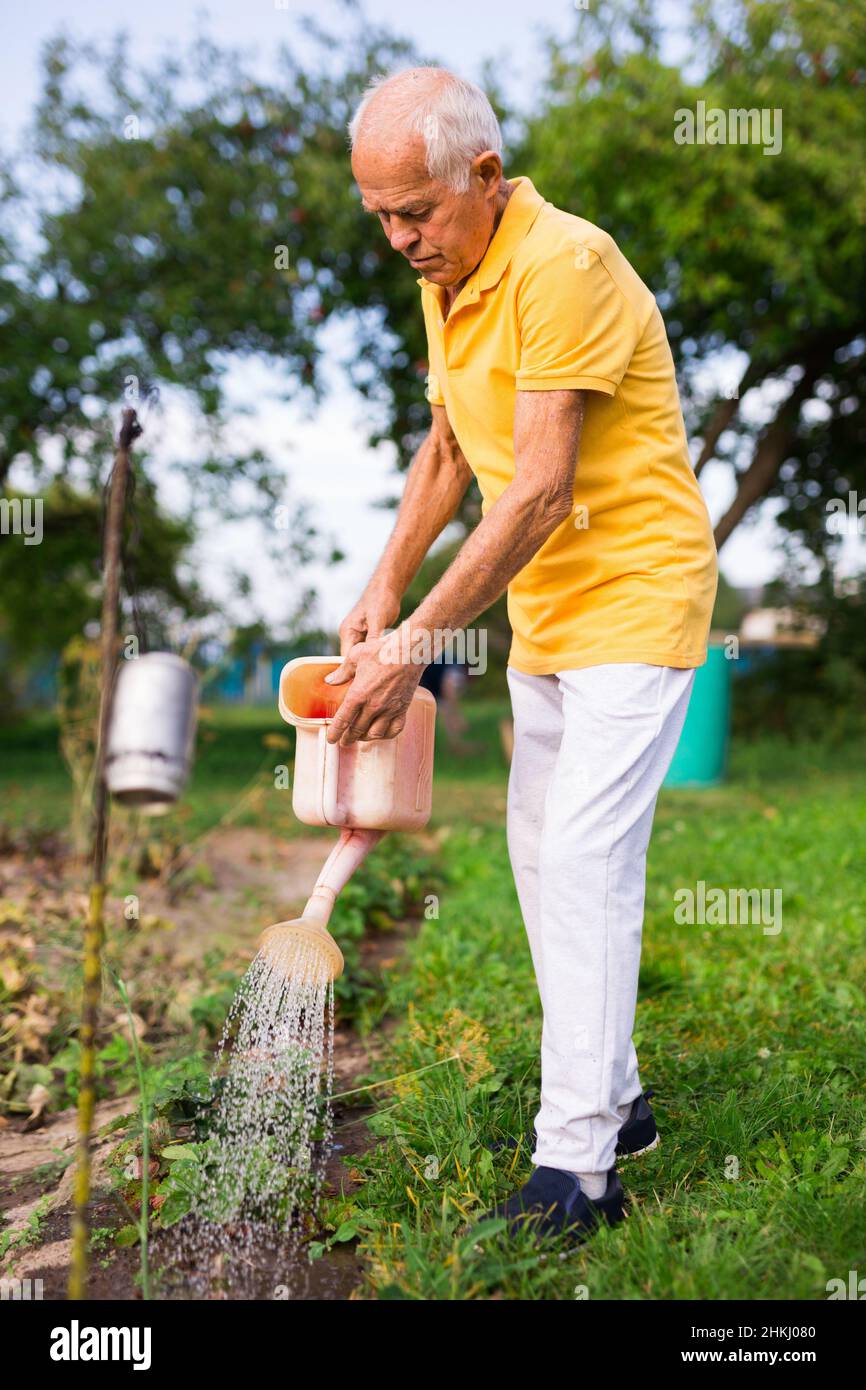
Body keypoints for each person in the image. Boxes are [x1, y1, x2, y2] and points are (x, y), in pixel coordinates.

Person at [323, 66, 718, 1242]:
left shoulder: (563, 264)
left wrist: (415, 646)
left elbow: (539, 485)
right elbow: (450, 446)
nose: (398, 239)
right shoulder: (449, 271)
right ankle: (621, 1097)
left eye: (415, 213)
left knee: (587, 855)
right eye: (379, 217)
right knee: (543, 856)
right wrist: (383, 585)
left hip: (634, 594)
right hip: (546, 615)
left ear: (483, 178)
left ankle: (577, 1170)